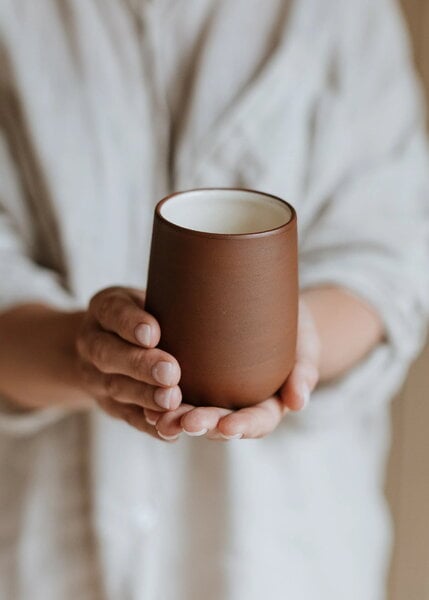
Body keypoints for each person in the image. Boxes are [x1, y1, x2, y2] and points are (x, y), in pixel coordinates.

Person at [0, 0, 428, 598]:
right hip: (43, 555)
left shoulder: (342, 15)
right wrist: (85, 354)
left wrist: (299, 339)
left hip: (282, 556)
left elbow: (393, 260)